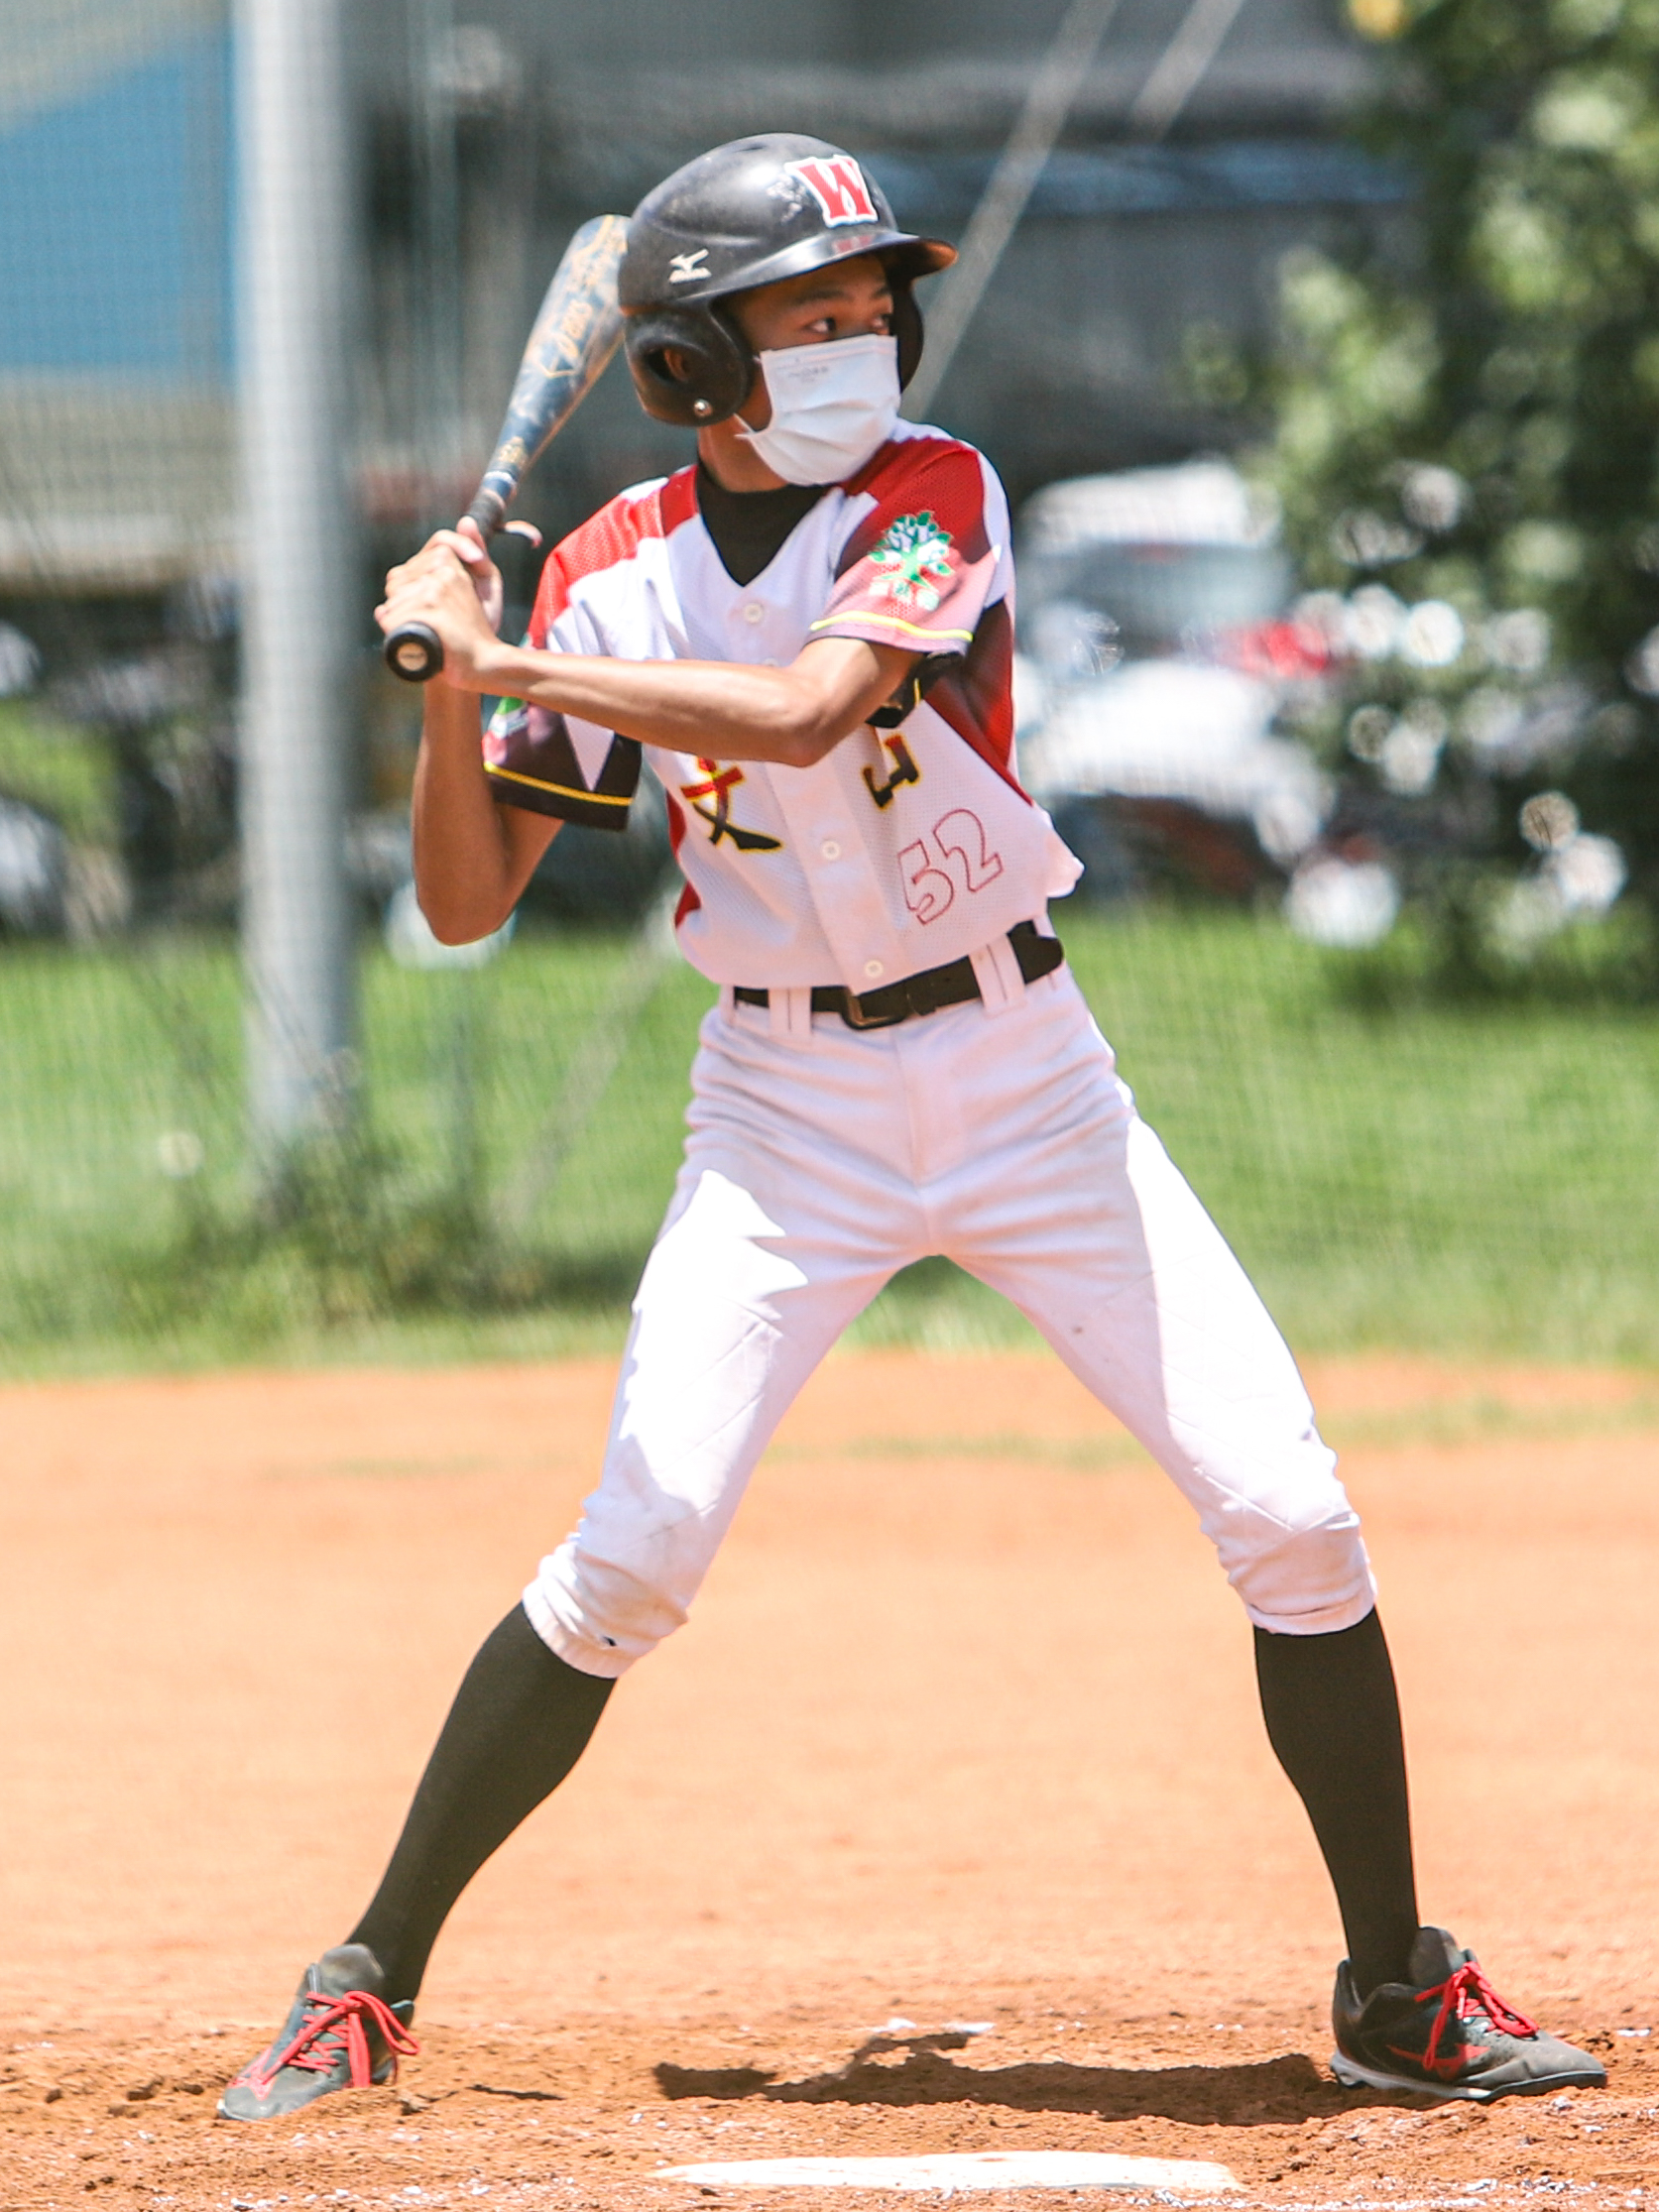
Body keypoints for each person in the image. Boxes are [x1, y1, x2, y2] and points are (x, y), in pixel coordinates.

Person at [219, 135, 1602, 2121]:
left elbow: (805, 709)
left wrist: (502, 654)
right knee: (634, 1555)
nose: (864, 335)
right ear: (694, 365)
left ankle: (1395, 1988)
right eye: (813, 312)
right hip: (784, 1114)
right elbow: (462, 899)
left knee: (1291, 1512)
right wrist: (458, 688)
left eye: (876, 305)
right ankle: (365, 1978)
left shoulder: (930, 491)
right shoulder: (606, 574)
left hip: (1028, 1077)